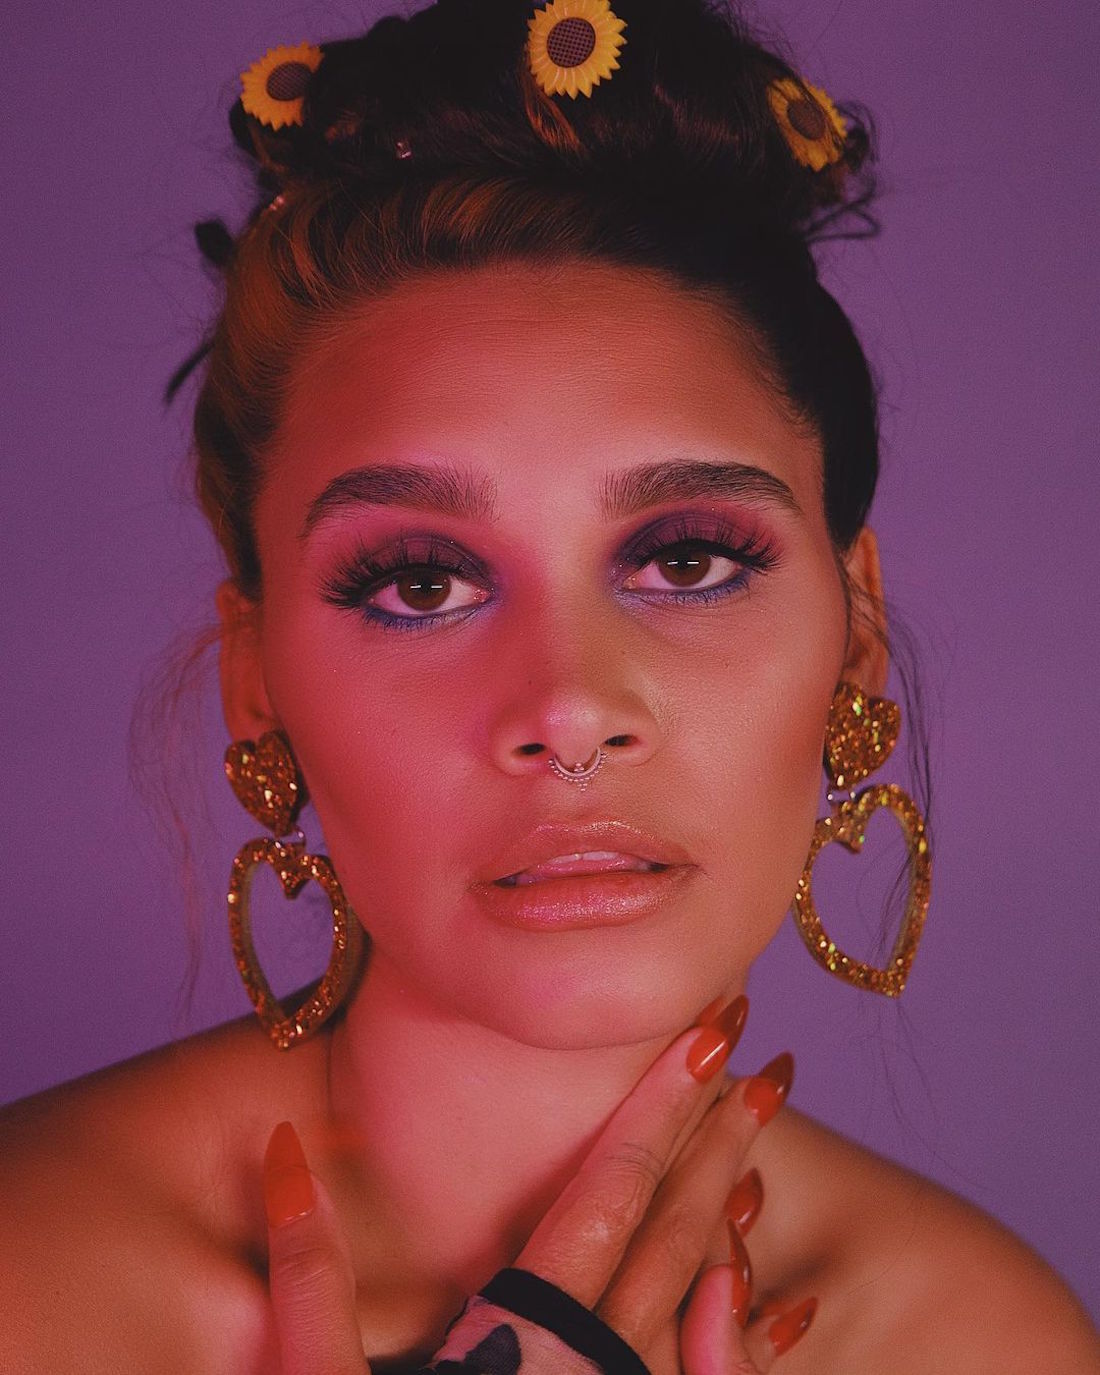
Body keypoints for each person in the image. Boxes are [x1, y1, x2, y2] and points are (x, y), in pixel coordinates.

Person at [1, 0, 1097, 1370]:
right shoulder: (30, 1282)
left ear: (855, 632)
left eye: (689, 559)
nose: (572, 707)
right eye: (419, 585)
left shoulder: (976, 1341)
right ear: (256, 680)